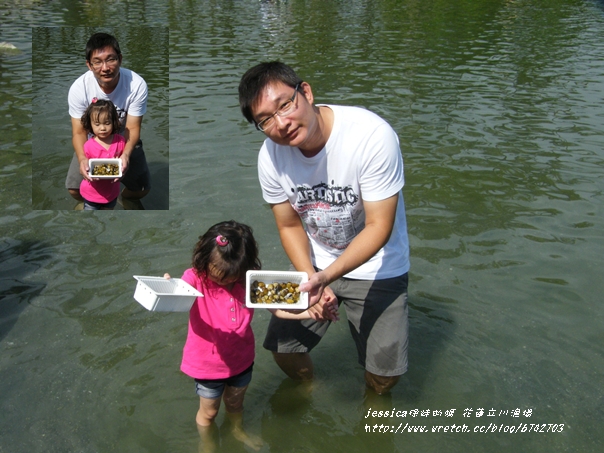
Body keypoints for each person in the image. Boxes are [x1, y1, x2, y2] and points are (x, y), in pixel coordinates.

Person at [238, 62, 411, 395]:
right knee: (283, 349)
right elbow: (289, 225)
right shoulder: (270, 158)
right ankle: (311, 392)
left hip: (379, 265)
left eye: (284, 106)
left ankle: (372, 405)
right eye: (265, 120)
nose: (281, 124)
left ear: (305, 92)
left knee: (385, 373)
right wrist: (309, 276)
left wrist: (326, 277)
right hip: (315, 261)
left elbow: (379, 226)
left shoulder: (371, 136)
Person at [164, 220, 337, 451]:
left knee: (236, 404)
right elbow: (177, 291)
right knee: (209, 412)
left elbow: (279, 309)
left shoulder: (251, 281)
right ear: (202, 260)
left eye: (230, 276)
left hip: (241, 359)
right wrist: (168, 286)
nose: (224, 281)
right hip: (207, 364)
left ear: (244, 267)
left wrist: (310, 312)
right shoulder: (196, 278)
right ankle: (207, 445)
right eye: (218, 275)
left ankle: (237, 430)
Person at [66, 32, 150, 209]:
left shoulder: (136, 84)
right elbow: (79, 131)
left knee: (141, 190)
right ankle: (92, 200)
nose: (105, 68)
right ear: (89, 65)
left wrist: (125, 154)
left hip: (123, 136)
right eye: (97, 62)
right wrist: (82, 159)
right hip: (93, 139)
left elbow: (133, 128)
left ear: (120, 59)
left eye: (110, 59)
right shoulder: (78, 88)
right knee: (73, 189)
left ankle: (122, 198)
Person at [78, 99, 124, 210]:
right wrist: (87, 172)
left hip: (111, 193)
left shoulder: (121, 142)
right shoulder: (88, 146)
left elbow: (123, 164)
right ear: (90, 124)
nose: (102, 128)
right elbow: (86, 168)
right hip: (91, 192)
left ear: (114, 121)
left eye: (107, 123)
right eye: (97, 124)